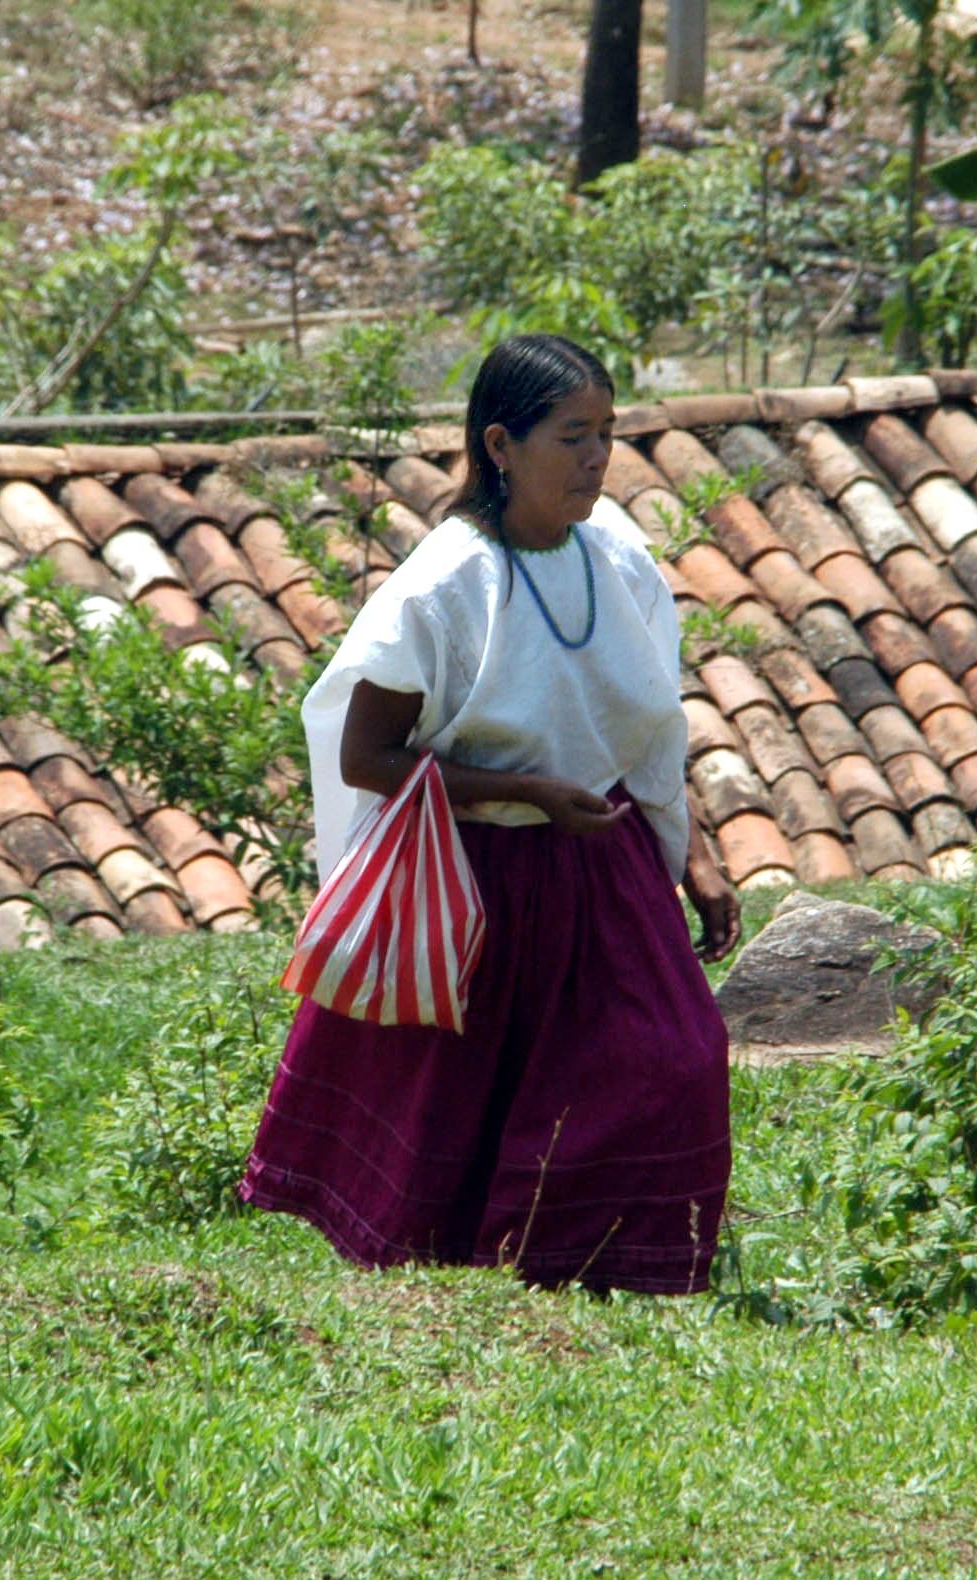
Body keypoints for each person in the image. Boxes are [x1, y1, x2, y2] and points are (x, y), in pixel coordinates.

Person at [240, 333, 741, 1296]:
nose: (596, 458)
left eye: (608, 434)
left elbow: (645, 729)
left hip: (607, 867)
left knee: (676, 1059)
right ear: (501, 445)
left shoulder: (621, 559)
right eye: (571, 436)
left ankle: (614, 1273)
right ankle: (502, 1283)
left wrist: (696, 858)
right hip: (481, 881)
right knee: (473, 1098)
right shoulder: (442, 584)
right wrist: (521, 792)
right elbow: (366, 754)